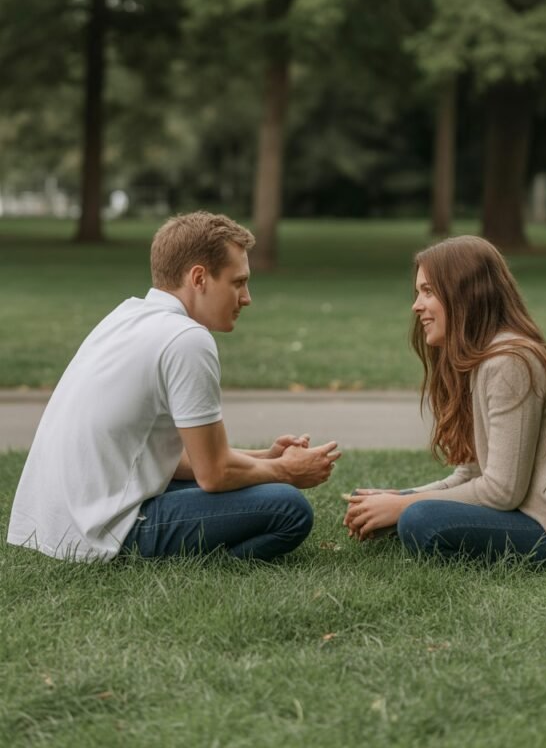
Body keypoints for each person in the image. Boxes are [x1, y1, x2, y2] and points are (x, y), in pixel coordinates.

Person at [8, 211, 340, 563]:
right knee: (288, 508)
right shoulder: (187, 339)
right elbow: (214, 474)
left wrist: (266, 458)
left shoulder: (126, 316)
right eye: (238, 282)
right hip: (101, 530)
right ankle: (199, 564)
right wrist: (288, 472)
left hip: (64, 521)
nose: (246, 298)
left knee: (260, 482)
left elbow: (167, 458)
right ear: (199, 278)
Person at [343, 235, 546, 565]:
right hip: (542, 517)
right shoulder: (482, 359)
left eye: (428, 292)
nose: (416, 305)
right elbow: (470, 475)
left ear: (464, 295)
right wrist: (398, 498)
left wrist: (405, 508)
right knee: (411, 510)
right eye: (418, 292)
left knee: (420, 520)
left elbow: (501, 492)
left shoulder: (510, 362)